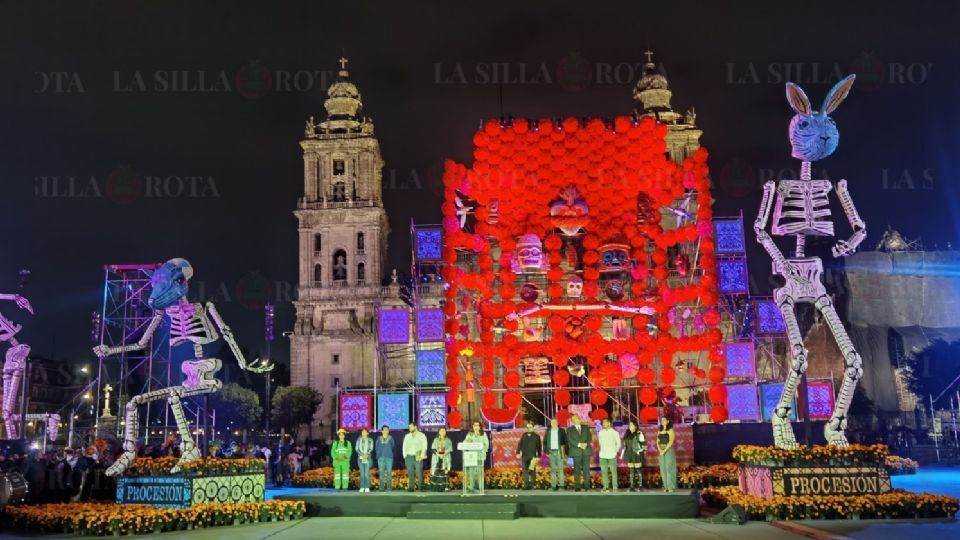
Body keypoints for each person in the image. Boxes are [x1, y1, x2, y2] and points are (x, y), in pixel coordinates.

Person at [566, 414, 593, 492]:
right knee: (577, 470)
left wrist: (586, 444)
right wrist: (579, 445)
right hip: (576, 452)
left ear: (580, 419)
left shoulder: (585, 428)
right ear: (572, 421)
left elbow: (589, 438)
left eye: (578, 418)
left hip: (586, 451)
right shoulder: (570, 429)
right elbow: (570, 439)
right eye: (575, 419)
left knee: (586, 470)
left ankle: (587, 486)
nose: (577, 420)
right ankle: (577, 486)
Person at [463, 421, 489, 494]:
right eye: (474, 425)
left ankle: (480, 488)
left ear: (480, 427)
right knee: (472, 472)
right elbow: (464, 443)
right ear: (473, 427)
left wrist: (481, 446)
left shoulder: (483, 434)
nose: (476, 427)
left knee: (479, 472)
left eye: (477, 425)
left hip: (480, 456)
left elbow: (486, 445)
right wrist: (467, 442)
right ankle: (472, 487)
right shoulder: (470, 434)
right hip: (472, 456)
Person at [515, 419, 542, 490]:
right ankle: (526, 485)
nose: (528, 429)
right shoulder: (523, 435)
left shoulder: (536, 436)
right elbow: (519, 445)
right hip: (524, 456)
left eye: (530, 427)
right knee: (525, 471)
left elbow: (539, 446)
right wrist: (518, 452)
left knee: (532, 470)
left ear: (533, 428)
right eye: (527, 427)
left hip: (533, 456)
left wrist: (539, 456)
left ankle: (533, 485)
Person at [543, 417, 568, 491]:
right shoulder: (548, 431)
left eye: (554, 422)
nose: (553, 424)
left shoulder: (562, 431)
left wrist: (566, 453)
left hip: (559, 452)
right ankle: (553, 486)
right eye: (552, 422)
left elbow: (566, 441)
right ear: (550, 424)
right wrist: (546, 452)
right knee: (553, 470)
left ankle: (562, 486)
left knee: (560, 469)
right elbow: (544, 442)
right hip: (551, 452)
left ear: (557, 423)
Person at [620, 421, 646, 491]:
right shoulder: (627, 434)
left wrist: (641, 452)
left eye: (632, 424)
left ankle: (640, 486)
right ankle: (632, 486)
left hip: (636, 453)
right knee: (631, 470)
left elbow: (644, 445)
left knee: (638, 469)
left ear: (635, 426)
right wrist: (622, 454)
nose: (630, 426)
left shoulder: (639, 434)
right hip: (629, 453)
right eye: (629, 425)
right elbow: (624, 445)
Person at [597, 418, 622, 492]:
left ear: (609, 423)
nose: (603, 424)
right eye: (603, 422)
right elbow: (600, 442)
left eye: (605, 422)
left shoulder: (615, 433)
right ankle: (605, 486)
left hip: (612, 455)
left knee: (613, 471)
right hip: (603, 455)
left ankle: (615, 487)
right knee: (604, 471)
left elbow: (619, 444)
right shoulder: (601, 432)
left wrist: (615, 452)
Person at [402, 423, 428, 492]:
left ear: (415, 427)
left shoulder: (422, 435)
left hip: (418, 455)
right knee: (410, 473)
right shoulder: (407, 436)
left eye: (411, 427)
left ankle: (421, 487)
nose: (409, 428)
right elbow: (404, 446)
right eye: (409, 427)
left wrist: (422, 456)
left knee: (419, 472)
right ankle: (411, 487)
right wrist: (405, 455)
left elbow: (424, 446)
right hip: (409, 456)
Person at [430, 427, 454, 491]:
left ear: (446, 432)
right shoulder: (436, 440)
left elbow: (450, 449)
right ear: (439, 432)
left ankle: (445, 487)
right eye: (441, 431)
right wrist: (438, 454)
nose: (443, 432)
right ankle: (436, 488)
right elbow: (433, 449)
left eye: (444, 431)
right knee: (437, 473)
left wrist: (444, 453)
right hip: (437, 458)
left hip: (445, 458)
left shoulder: (448, 440)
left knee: (445, 472)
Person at [657, 417, 677, 492]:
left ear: (668, 421)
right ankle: (665, 487)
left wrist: (664, 450)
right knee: (663, 469)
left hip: (668, 450)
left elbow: (671, 441)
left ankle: (670, 486)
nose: (662, 421)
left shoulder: (670, 430)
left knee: (669, 468)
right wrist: (659, 449)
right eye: (661, 420)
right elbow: (657, 441)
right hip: (661, 450)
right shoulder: (659, 430)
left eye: (664, 420)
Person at [375, 425, 395, 492]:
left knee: (389, 473)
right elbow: (376, 447)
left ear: (388, 431)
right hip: (381, 458)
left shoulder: (391, 438)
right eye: (384, 430)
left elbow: (393, 446)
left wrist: (388, 453)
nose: (386, 431)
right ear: (382, 431)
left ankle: (389, 488)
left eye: (387, 430)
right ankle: (381, 488)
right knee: (381, 473)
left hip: (389, 458)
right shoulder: (378, 438)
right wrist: (379, 456)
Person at [356, 428, 374, 493]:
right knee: (362, 473)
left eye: (365, 432)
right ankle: (362, 487)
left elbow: (371, 448)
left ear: (367, 433)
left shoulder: (370, 440)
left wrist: (366, 454)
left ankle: (366, 487)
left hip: (368, 458)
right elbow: (357, 449)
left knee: (366, 473)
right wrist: (362, 454)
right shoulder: (358, 440)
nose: (363, 433)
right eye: (362, 432)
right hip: (360, 458)